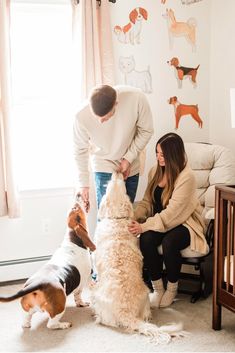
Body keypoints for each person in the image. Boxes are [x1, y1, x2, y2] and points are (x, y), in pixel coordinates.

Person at [128, 132, 207, 308]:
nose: (158, 157)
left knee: (170, 242)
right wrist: (133, 218)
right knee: (147, 239)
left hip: (183, 222)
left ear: (174, 155)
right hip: (159, 220)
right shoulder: (154, 171)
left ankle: (172, 288)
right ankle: (158, 288)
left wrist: (144, 226)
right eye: (157, 153)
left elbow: (172, 214)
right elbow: (147, 201)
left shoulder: (187, 177)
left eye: (162, 154)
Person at [73, 84, 154, 210]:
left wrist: (128, 158)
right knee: (106, 219)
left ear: (116, 104)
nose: (100, 121)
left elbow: (146, 130)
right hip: (103, 163)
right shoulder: (80, 116)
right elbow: (80, 150)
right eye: (97, 117)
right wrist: (84, 184)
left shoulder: (136, 98)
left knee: (126, 215)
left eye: (105, 118)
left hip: (130, 163)